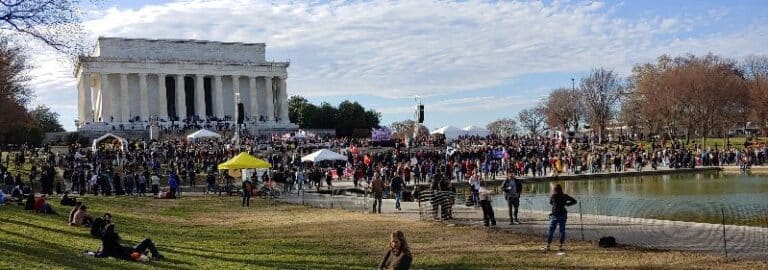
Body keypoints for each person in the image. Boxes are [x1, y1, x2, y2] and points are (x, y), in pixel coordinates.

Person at [95, 224, 164, 261]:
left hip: (129, 249)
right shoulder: (108, 247)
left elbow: (101, 254)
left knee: (145, 242)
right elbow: (101, 254)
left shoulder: (108, 244)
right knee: (147, 240)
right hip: (131, 252)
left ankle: (156, 254)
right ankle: (156, 255)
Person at [543, 184, 577, 252]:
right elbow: (574, 201)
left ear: (555, 190)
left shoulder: (554, 196)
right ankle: (560, 246)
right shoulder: (565, 196)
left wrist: (556, 205)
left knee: (551, 230)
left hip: (555, 215)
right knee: (562, 231)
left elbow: (551, 203)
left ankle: (548, 246)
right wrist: (567, 204)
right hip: (563, 215)